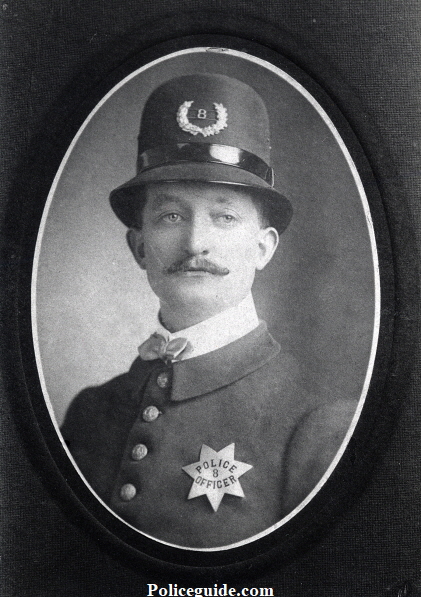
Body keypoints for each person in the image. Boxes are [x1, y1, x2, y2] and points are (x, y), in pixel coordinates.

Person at [62, 73, 356, 548]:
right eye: (170, 217)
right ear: (139, 247)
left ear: (263, 248)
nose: (196, 243)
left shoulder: (320, 426)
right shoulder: (88, 414)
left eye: (224, 217)